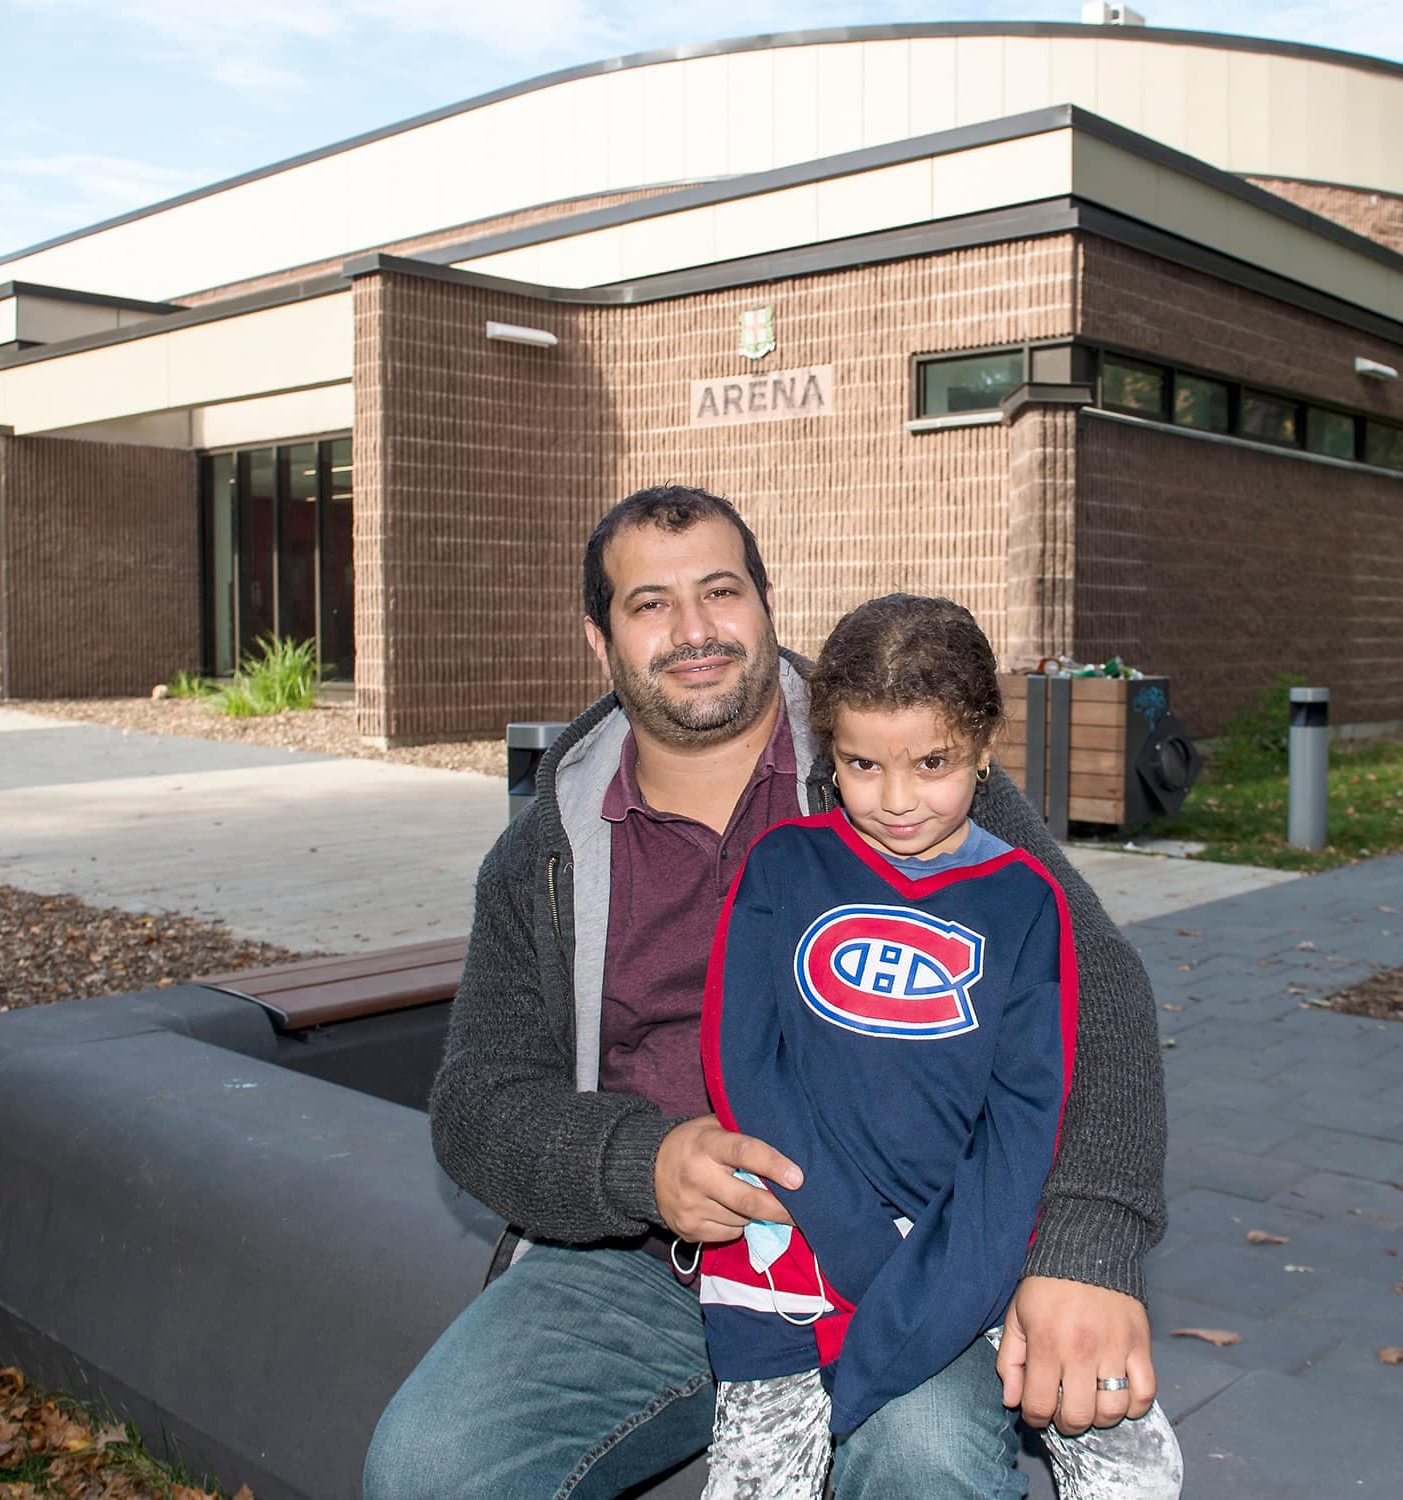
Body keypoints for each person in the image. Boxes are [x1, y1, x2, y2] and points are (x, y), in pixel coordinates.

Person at [363, 486, 1167, 1499]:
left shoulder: (889, 768)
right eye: (649, 603)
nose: (693, 630)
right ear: (597, 639)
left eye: (719, 590)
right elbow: (478, 1102)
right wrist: (636, 1162)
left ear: (766, 602)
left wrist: (1086, 1247)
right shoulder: (543, 853)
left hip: (894, 1243)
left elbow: (1099, 997)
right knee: (426, 1468)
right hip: (642, 1262)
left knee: (925, 1459)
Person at [696, 593, 1180, 1500]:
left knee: (1131, 1473)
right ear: (826, 750)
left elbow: (1028, 1110)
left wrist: (949, 1283)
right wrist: (860, 1253)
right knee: (753, 1483)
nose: (897, 799)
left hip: (973, 1247)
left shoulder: (1026, 899)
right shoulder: (782, 868)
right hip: (794, 1238)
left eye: (932, 762)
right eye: (861, 764)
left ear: (985, 747)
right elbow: (743, 1062)